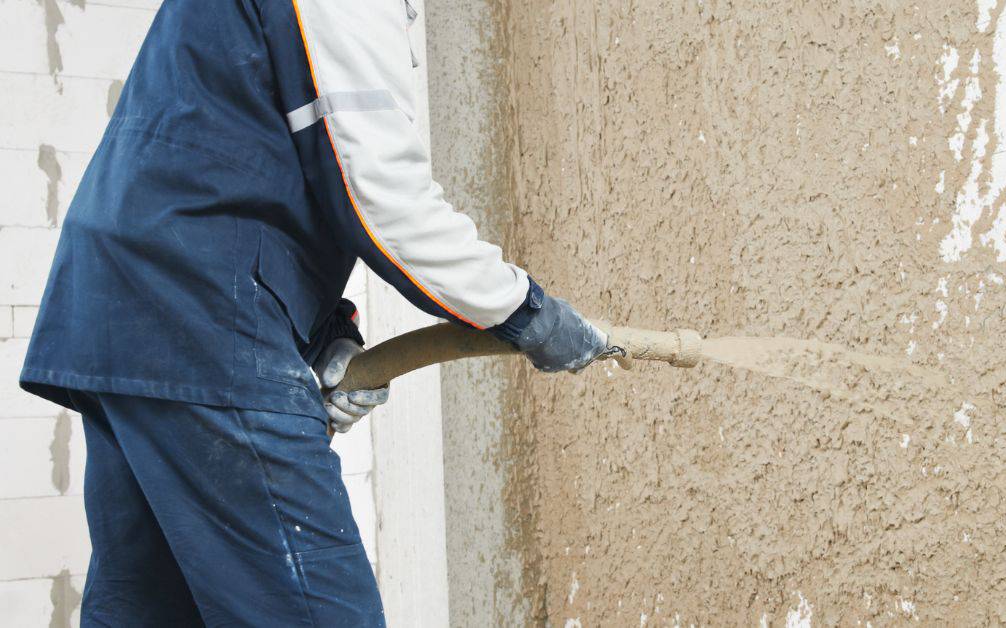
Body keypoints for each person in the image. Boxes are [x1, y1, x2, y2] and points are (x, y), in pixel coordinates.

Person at [19, 0, 610, 625]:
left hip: (126, 308)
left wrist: (323, 336)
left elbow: (233, 151)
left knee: (152, 609)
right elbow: (384, 197)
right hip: (199, 314)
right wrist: (526, 311)